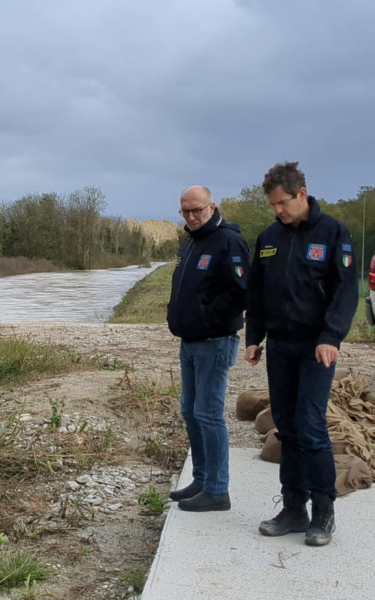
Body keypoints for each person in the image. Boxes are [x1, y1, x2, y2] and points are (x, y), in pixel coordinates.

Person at [245, 161, 358, 546]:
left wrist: (331, 336)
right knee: (287, 428)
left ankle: (323, 512)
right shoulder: (269, 237)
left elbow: (346, 291)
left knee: (310, 428)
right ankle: (293, 508)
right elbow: (257, 293)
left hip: (316, 349)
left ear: (301, 195)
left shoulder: (332, 232)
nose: (278, 210)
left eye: (282, 203)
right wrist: (253, 337)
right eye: (272, 205)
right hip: (280, 347)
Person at [167, 185, 250, 511]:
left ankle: (218, 490)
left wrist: (204, 317)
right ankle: (201, 479)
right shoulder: (192, 241)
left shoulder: (228, 240)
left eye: (197, 210)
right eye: (185, 211)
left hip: (214, 341)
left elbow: (241, 290)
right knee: (190, 410)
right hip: (190, 342)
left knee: (208, 414)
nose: (191, 216)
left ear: (212, 207)